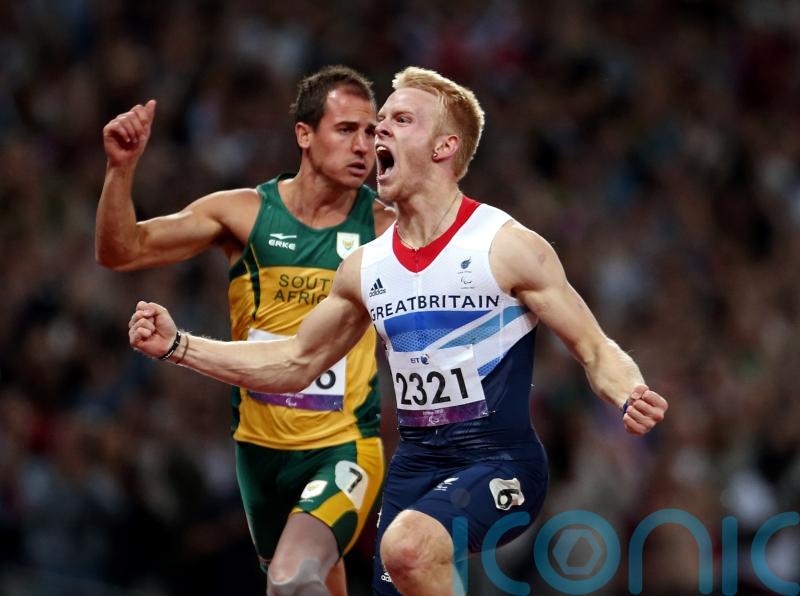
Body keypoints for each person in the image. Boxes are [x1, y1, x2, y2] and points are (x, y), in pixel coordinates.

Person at [127, 66, 669, 596]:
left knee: (406, 547)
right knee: (402, 555)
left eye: (400, 120)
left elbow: (596, 349)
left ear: (444, 148)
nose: (377, 129)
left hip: (499, 462)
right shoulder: (366, 268)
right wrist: (180, 346)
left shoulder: (504, 246)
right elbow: (293, 363)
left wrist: (629, 392)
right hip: (414, 473)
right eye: (378, 119)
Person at [97, 65, 395, 596]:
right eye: (346, 129)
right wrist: (121, 170)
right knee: (316, 585)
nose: (363, 146)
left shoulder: (383, 229)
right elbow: (121, 251)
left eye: (371, 132)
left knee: (288, 581)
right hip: (258, 453)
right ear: (304, 134)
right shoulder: (244, 215)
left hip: (345, 446)